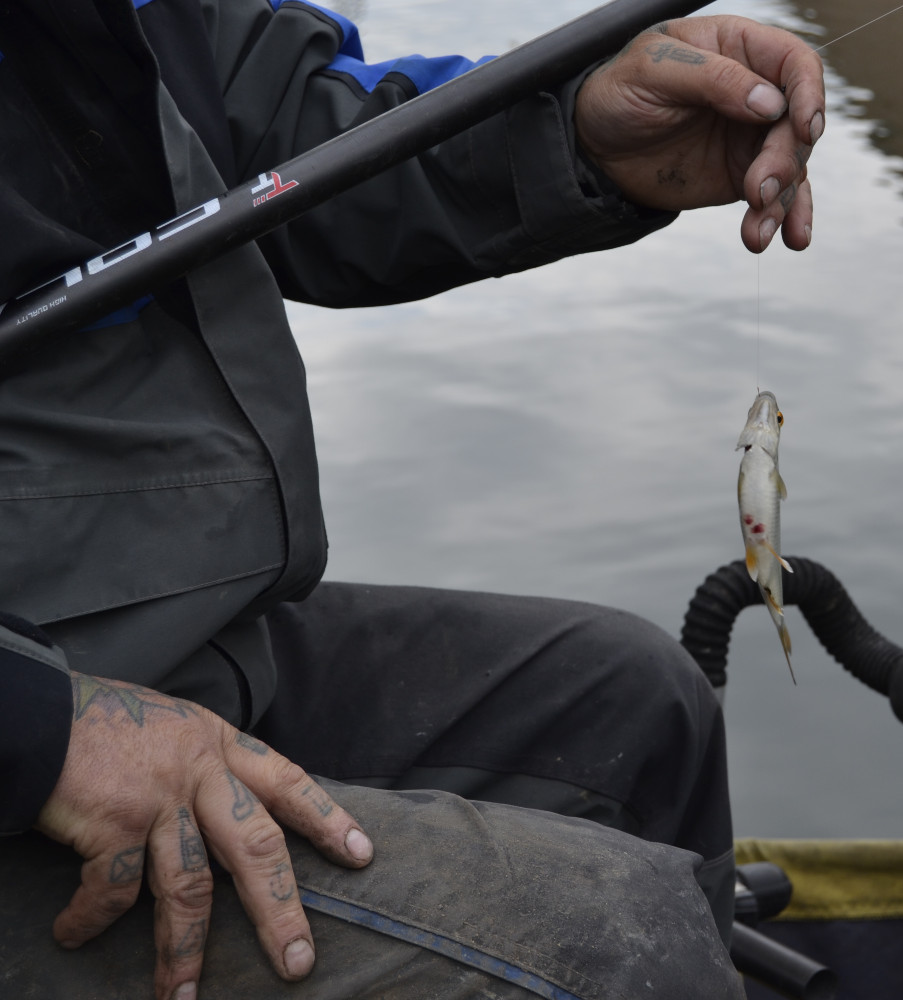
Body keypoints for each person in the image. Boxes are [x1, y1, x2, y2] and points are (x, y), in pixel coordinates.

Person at [0, 0, 824, 997]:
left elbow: (293, 138)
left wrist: (575, 131)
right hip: (39, 727)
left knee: (639, 703)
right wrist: (45, 729)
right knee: (618, 944)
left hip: (168, 640)